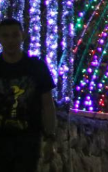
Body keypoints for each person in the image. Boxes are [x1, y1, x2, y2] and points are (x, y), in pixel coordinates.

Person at [0, 17, 56, 172]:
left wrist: (50, 137)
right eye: (5, 36)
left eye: (14, 35)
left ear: (22, 36)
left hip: (28, 141)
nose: (10, 40)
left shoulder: (36, 67)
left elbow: (48, 105)